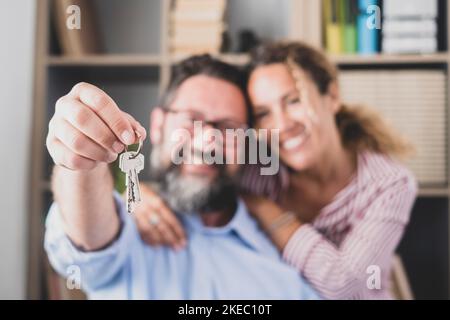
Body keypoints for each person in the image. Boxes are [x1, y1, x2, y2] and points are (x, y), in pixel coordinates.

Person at [135, 42, 418, 299]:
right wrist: (136, 197)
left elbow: (343, 286)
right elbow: (192, 181)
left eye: (293, 101)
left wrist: (261, 206)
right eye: (263, 114)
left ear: (332, 96)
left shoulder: (389, 184)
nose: (281, 125)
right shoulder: (257, 164)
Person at [44, 55, 320, 299]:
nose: (208, 142)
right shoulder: (123, 224)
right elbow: (89, 238)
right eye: (191, 119)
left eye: (228, 127)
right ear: (158, 124)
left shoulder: (282, 259)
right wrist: (80, 160)